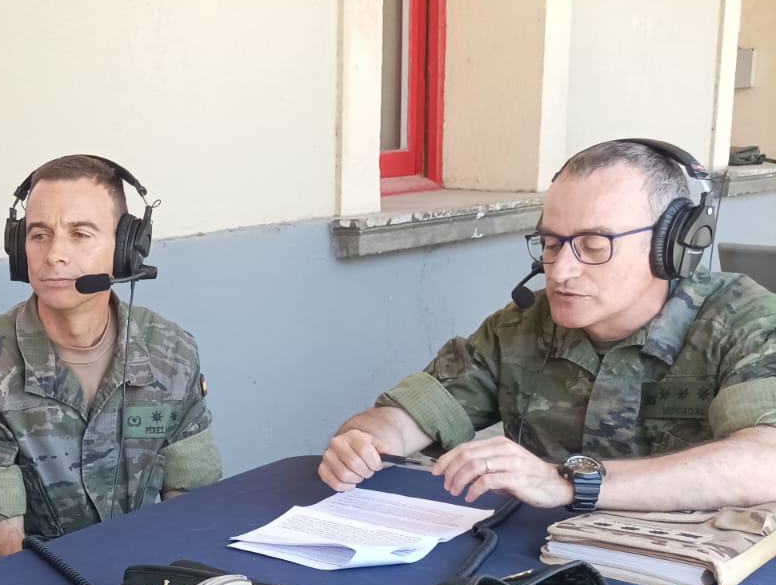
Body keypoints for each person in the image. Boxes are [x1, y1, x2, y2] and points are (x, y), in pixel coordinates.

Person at [320, 139, 776, 511]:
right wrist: (363, 441)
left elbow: (764, 461)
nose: (559, 271)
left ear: (673, 246)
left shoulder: (744, 323)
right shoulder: (519, 326)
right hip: (543, 566)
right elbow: (408, 417)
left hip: (690, 576)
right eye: (552, 243)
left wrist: (569, 483)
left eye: (594, 245)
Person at [0, 154, 222, 569]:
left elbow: (192, 508)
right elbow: (6, 557)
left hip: (148, 580)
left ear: (127, 249)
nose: (54, 254)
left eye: (79, 234)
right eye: (38, 235)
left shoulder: (172, 352)